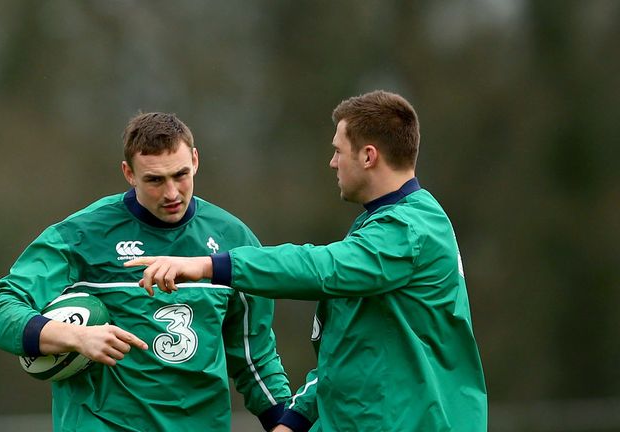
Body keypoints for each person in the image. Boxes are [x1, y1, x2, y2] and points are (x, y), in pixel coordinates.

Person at [126, 91, 488, 431]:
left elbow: (321, 268)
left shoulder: (408, 230)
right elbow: (351, 352)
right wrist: (297, 418)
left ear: (368, 156)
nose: (332, 162)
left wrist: (210, 266)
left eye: (338, 150)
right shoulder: (382, 228)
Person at [0, 112, 291, 431]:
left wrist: (286, 421)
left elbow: (256, 358)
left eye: (180, 175)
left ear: (195, 161)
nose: (171, 193)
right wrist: (76, 337)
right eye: (155, 180)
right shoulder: (80, 237)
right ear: (129, 173)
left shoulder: (234, 241)